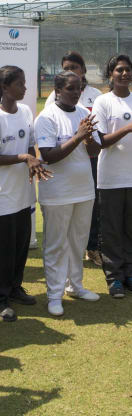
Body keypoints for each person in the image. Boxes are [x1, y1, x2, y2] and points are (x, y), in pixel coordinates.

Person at [35, 70, 101, 316]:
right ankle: (54, 295)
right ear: (58, 90)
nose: (76, 93)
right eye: (71, 88)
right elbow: (49, 156)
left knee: (78, 242)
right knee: (56, 245)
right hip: (57, 193)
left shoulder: (85, 114)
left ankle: (76, 286)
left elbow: (94, 151)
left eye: (79, 88)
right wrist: (78, 136)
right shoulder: (47, 117)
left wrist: (89, 139)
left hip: (84, 190)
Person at [92, 54, 132, 299]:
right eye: (119, 70)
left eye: (128, 70)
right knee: (111, 229)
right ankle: (114, 278)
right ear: (111, 74)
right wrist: (128, 128)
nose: (124, 74)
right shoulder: (103, 102)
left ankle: (130, 274)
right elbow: (100, 142)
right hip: (110, 177)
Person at [0, 65, 51, 321]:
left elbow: (30, 143)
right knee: (4, 250)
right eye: (20, 84)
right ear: (5, 87)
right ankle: (2, 299)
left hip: (23, 193)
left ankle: (16, 288)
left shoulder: (26, 111)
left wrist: (34, 163)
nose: (25, 88)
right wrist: (23, 157)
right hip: (3, 198)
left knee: (21, 245)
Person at [45, 51, 102, 267]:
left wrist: (88, 140)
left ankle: (92, 247)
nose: (70, 71)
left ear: (83, 70)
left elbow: (96, 135)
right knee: (65, 218)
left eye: (74, 67)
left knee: (92, 207)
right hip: (65, 168)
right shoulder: (53, 102)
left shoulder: (95, 95)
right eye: (66, 68)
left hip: (89, 161)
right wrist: (78, 137)